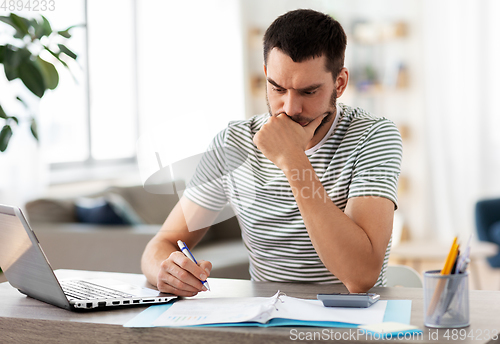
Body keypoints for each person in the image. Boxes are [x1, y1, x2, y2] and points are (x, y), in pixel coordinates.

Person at [141, 9, 402, 295]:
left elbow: (360, 275)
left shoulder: (373, 136)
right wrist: (165, 270)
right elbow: (160, 246)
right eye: (277, 88)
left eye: (308, 92)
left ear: (339, 83)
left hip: (351, 324)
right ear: (266, 75)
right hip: (266, 322)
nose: (290, 108)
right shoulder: (233, 143)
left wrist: (292, 159)